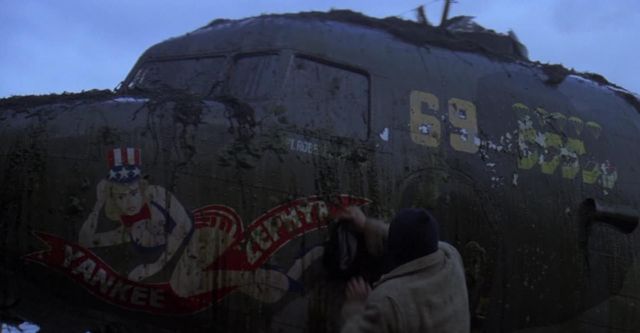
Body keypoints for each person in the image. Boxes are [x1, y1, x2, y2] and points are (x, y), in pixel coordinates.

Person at [338, 206, 470, 333]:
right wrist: (367, 225)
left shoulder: (389, 300)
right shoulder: (452, 255)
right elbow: (417, 238)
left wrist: (355, 308)